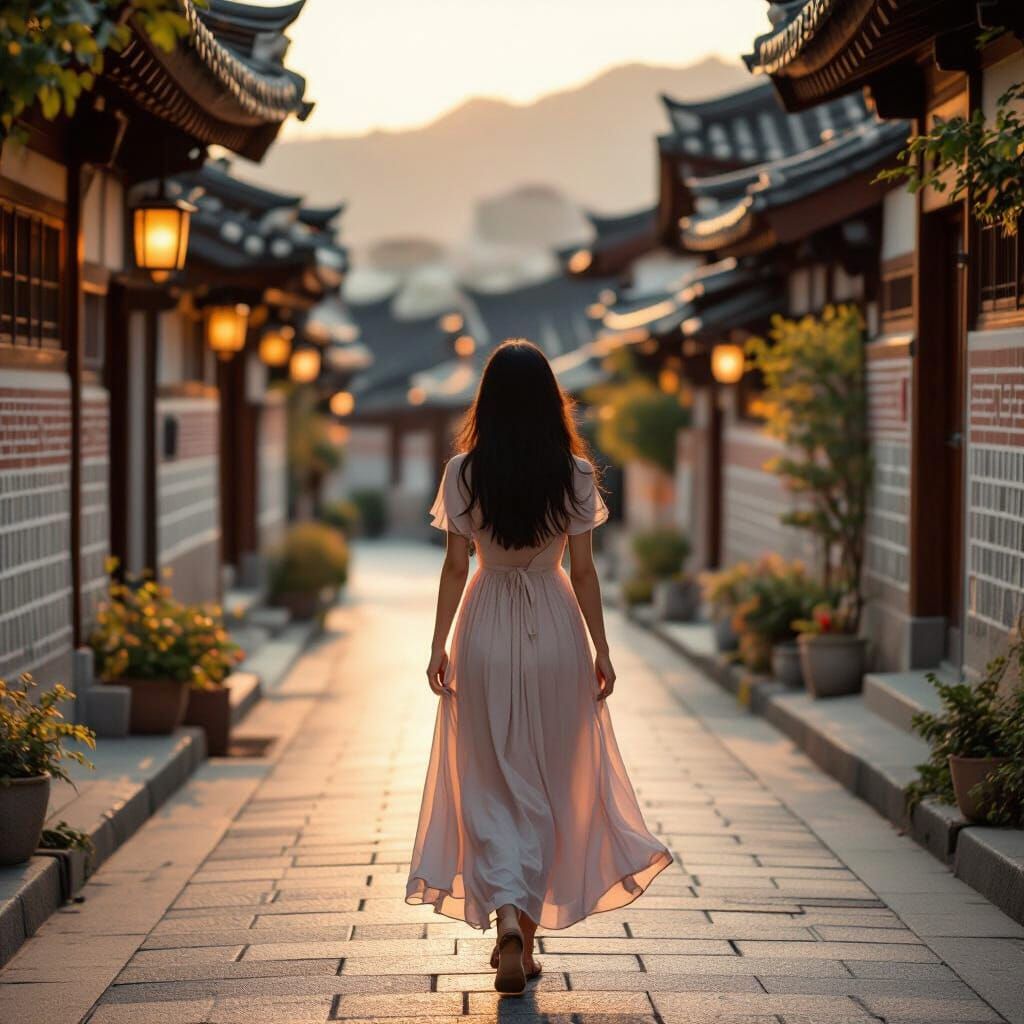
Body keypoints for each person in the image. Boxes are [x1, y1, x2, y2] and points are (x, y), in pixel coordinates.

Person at [405, 339, 672, 995]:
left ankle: (507, 926)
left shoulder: (463, 473)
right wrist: (602, 648)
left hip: (485, 623)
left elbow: (453, 566)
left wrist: (438, 644)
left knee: (488, 778)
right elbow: (583, 572)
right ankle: (525, 926)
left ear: (487, 403)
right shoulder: (574, 472)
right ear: (552, 403)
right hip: (554, 624)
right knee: (550, 780)